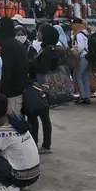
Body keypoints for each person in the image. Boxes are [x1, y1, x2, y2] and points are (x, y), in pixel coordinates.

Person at [27, 24, 58, 153]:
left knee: (36, 115)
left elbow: (43, 68)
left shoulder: (47, 51)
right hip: (45, 86)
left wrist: (30, 64)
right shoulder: (49, 49)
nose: (38, 34)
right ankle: (44, 144)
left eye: (40, 32)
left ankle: (41, 144)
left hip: (40, 86)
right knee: (43, 116)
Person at [0, 17, 28, 116]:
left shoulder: (5, 46)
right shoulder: (19, 45)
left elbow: (7, 70)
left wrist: (0, 88)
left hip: (8, 91)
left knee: (11, 122)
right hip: (19, 90)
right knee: (16, 119)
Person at [71, 18, 92, 104]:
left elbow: (80, 47)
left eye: (73, 25)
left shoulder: (79, 34)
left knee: (78, 77)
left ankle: (83, 96)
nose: (72, 27)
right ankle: (87, 96)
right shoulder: (85, 32)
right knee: (86, 78)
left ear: (77, 24)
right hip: (88, 57)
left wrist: (73, 51)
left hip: (82, 57)